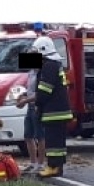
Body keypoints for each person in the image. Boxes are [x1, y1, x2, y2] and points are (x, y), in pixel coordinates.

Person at [32, 36, 74, 178]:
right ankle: (57, 167)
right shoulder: (54, 64)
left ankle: (53, 167)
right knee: (57, 141)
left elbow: (44, 91)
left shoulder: (48, 66)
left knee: (53, 141)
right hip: (58, 110)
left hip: (54, 111)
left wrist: (30, 101)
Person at [15, 48, 46, 174]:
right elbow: (31, 89)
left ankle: (40, 164)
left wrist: (24, 101)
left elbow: (40, 93)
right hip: (30, 106)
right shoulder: (31, 72)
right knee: (28, 135)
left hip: (37, 106)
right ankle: (32, 163)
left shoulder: (41, 72)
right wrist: (23, 95)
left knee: (40, 136)